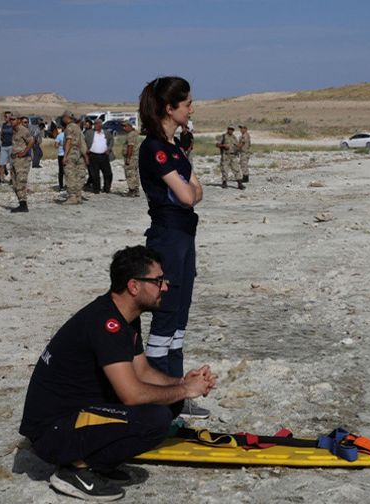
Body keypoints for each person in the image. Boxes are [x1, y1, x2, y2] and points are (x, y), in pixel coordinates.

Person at [18, 245, 217, 501]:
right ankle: (75, 470)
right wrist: (186, 390)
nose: (165, 287)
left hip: (76, 414)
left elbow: (142, 371)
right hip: (53, 431)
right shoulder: (106, 323)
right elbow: (132, 395)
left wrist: (181, 384)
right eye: (158, 281)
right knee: (154, 419)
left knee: (171, 402)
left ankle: (97, 463)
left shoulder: (125, 316)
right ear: (134, 286)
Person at [138, 76, 209, 419]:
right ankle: (157, 397)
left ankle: (178, 395)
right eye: (188, 104)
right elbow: (186, 195)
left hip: (185, 237)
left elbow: (198, 192)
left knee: (179, 321)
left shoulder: (176, 147)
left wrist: (190, 192)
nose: (192, 108)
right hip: (167, 237)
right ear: (170, 108)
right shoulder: (154, 148)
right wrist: (189, 192)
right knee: (164, 322)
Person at [60, 111, 88, 205]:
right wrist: (85, 156)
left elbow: (68, 141)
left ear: (66, 117)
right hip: (79, 153)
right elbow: (82, 142)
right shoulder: (77, 127)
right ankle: (78, 196)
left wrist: (65, 156)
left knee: (70, 174)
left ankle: (72, 197)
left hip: (71, 152)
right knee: (79, 175)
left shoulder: (69, 127)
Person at [9, 115, 34, 213]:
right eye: (10, 119)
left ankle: (24, 205)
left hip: (23, 160)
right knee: (15, 183)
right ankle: (21, 203)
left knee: (21, 182)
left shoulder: (23, 130)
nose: (11, 121)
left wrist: (24, 152)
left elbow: (31, 141)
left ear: (18, 120)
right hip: (15, 159)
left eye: (13, 119)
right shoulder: (14, 130)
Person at [84, 119, 114, 193]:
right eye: (95, 124)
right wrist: (86, 150)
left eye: (98, 124)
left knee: (108, 173)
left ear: (101, 125)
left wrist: (109, 149)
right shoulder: (89, 133)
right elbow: (84, 142)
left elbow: (111, 140)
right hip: (93, 155)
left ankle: (107, 188)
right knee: (95, 174)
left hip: (104, 156)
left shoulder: (106, 133)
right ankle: (96, 189)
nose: (97, 125)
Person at [121, 122, 141, 197]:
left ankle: (132, 190)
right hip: (135, 157)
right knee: (134, 173)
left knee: (130, 173)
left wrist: (128, 158)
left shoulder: (131, 135)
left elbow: (130, 147)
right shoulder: (135, 133)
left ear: (129, 126)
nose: (124, 128)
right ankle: (136, 190)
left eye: (125, 126)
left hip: (131, 157)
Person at [0, 111, 13, 182]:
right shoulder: (3, 125)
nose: (6, 118)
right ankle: (1, 179)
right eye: (5, 116)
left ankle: (12, 178)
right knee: (2, 163)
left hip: (11, 146)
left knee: (11, 163)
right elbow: (1, 134)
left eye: (7, 116)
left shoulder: (13, 125)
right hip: (4, 146)